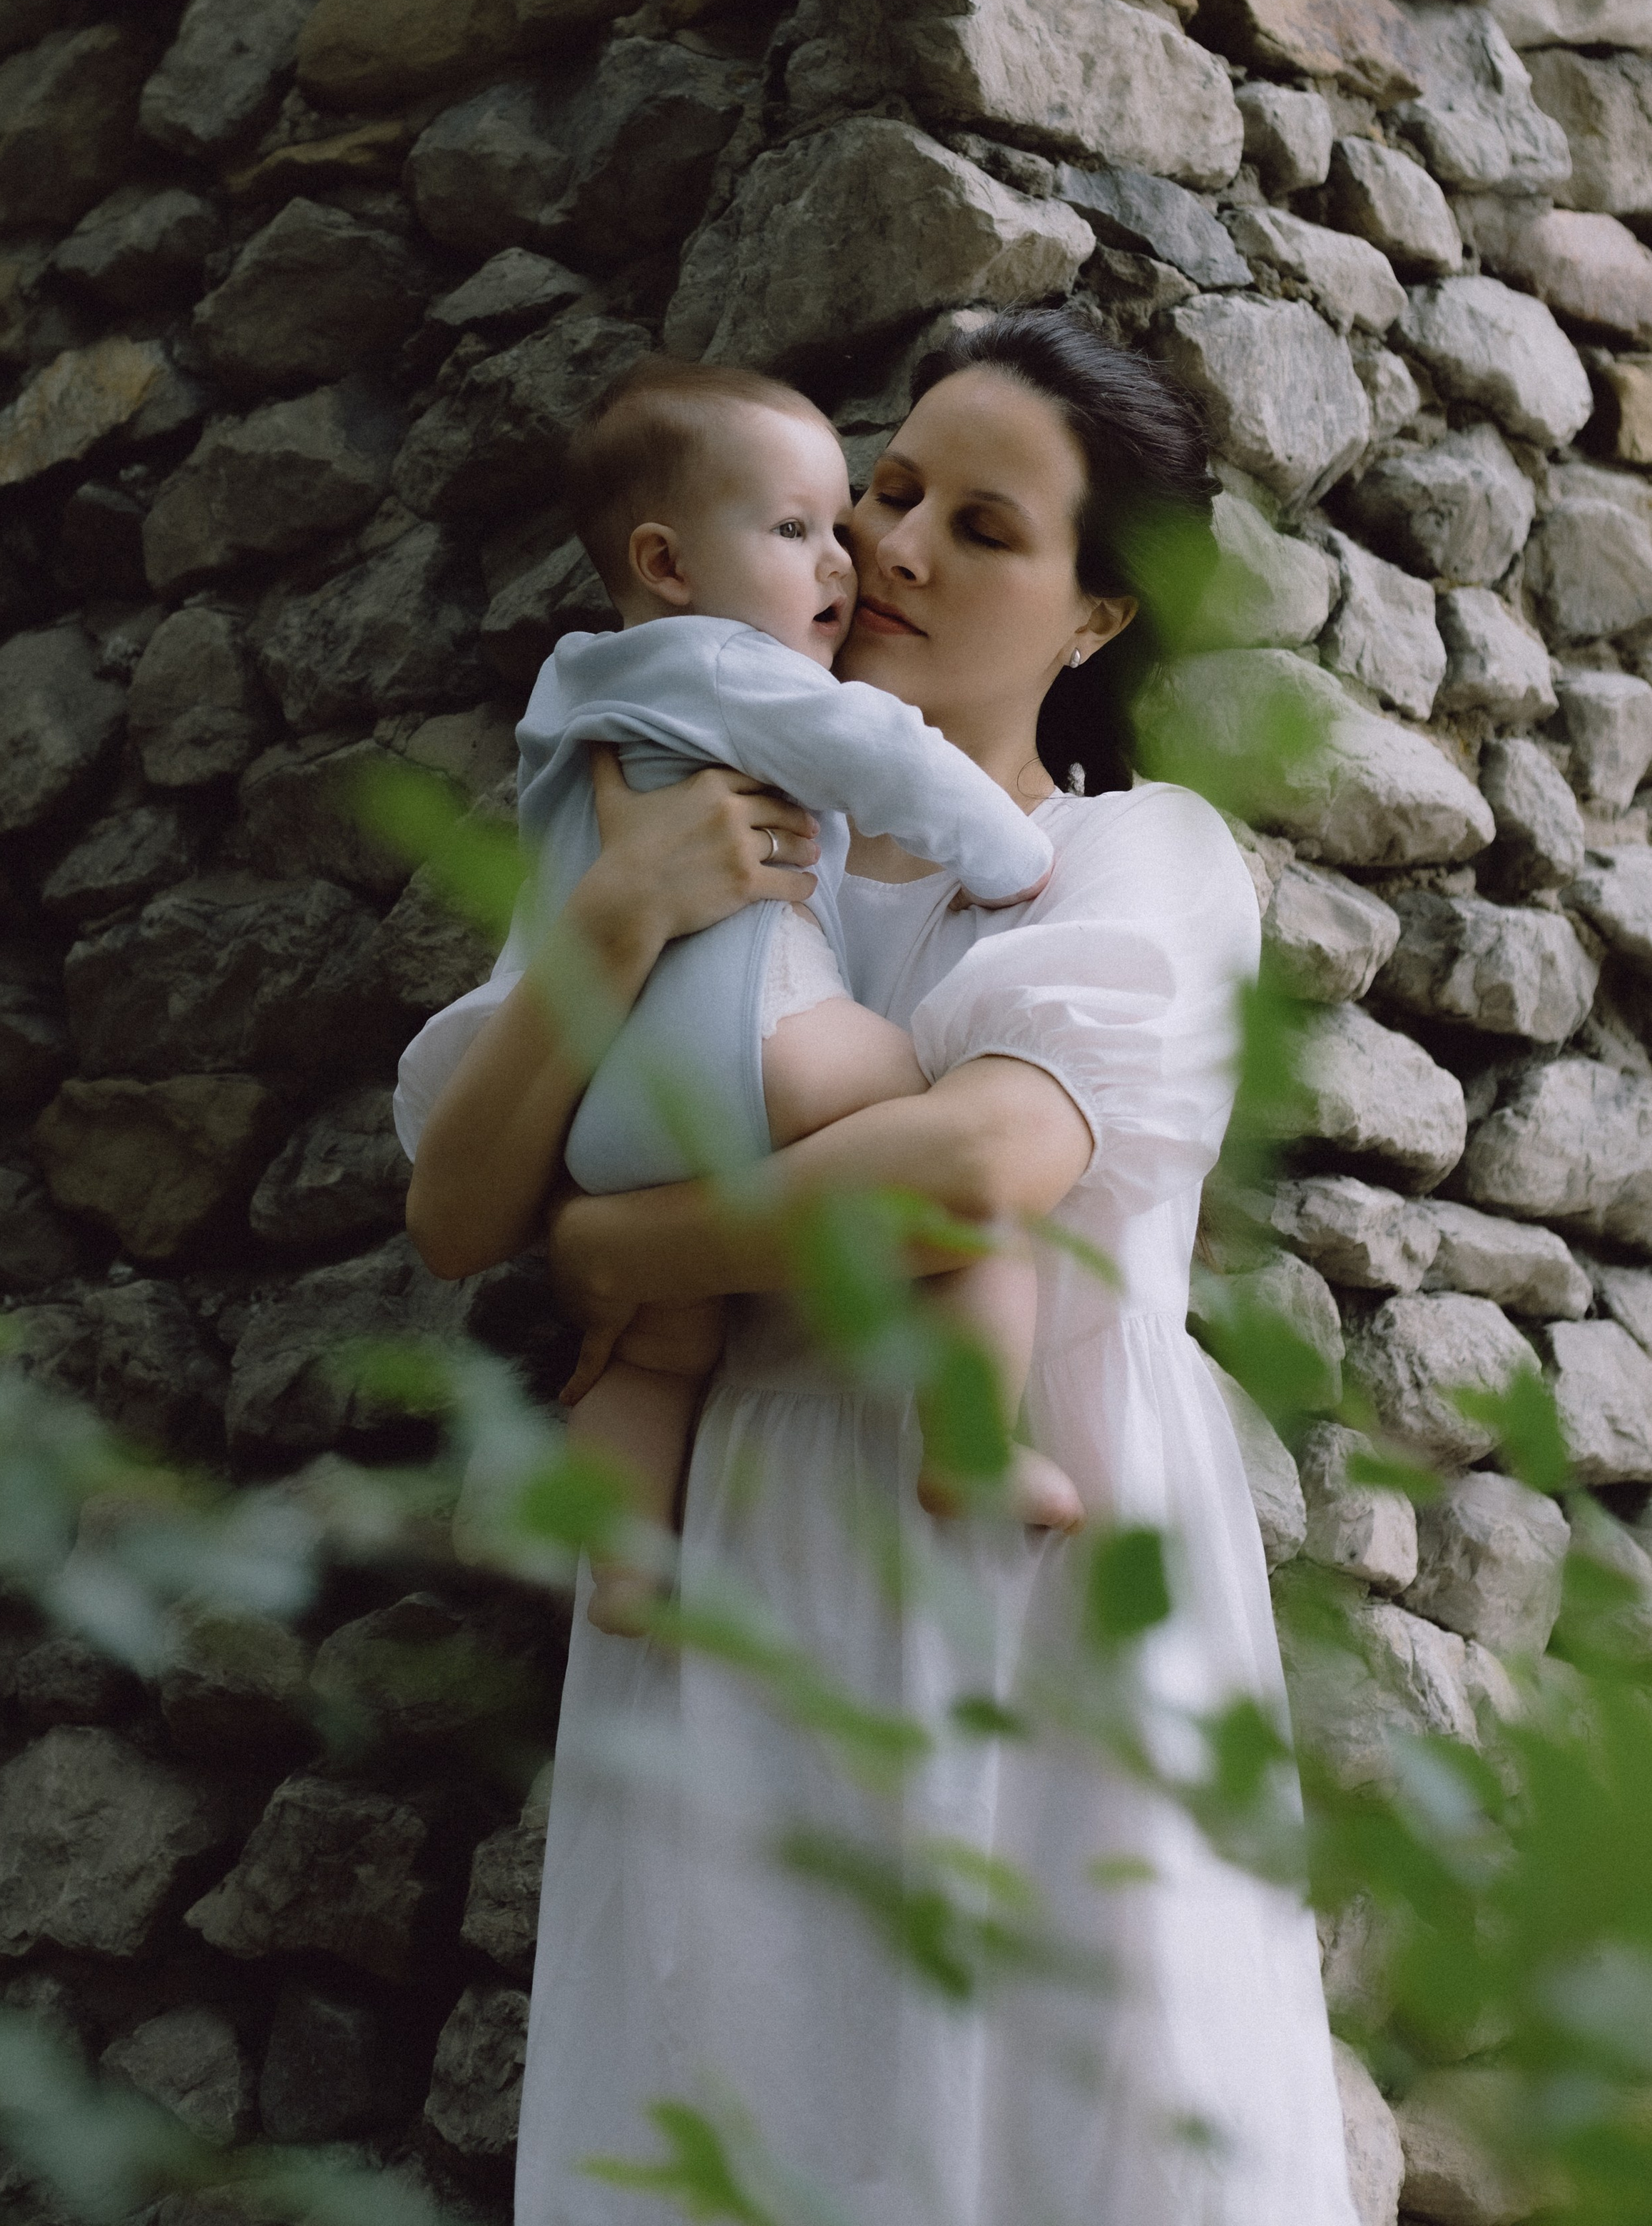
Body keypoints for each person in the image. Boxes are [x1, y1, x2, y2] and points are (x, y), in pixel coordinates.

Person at [396, 307, 1357, 2226]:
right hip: (740, 1559)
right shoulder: (698, 827)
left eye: (981, 530)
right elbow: (449, 1211)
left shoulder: (1134, 857)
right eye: (889, 490)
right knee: (745, 2102)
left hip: (1029, 1587)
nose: (891, 548)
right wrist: (620, 914)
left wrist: (617, 1243)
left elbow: (977, 1164)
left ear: (1094, 621)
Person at [526, 354, 1082, 1630]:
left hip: (612, 1112)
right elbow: (881, 757)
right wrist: (1010, 855)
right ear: (669, 566)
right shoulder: (729, 668)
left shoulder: (580, 693)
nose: (848, 562)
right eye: (800, 531)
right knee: (951, 1161)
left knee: (665, 1341)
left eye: (840, 527)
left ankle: (622, 1567)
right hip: (762, 1044)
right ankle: (969, 1444)